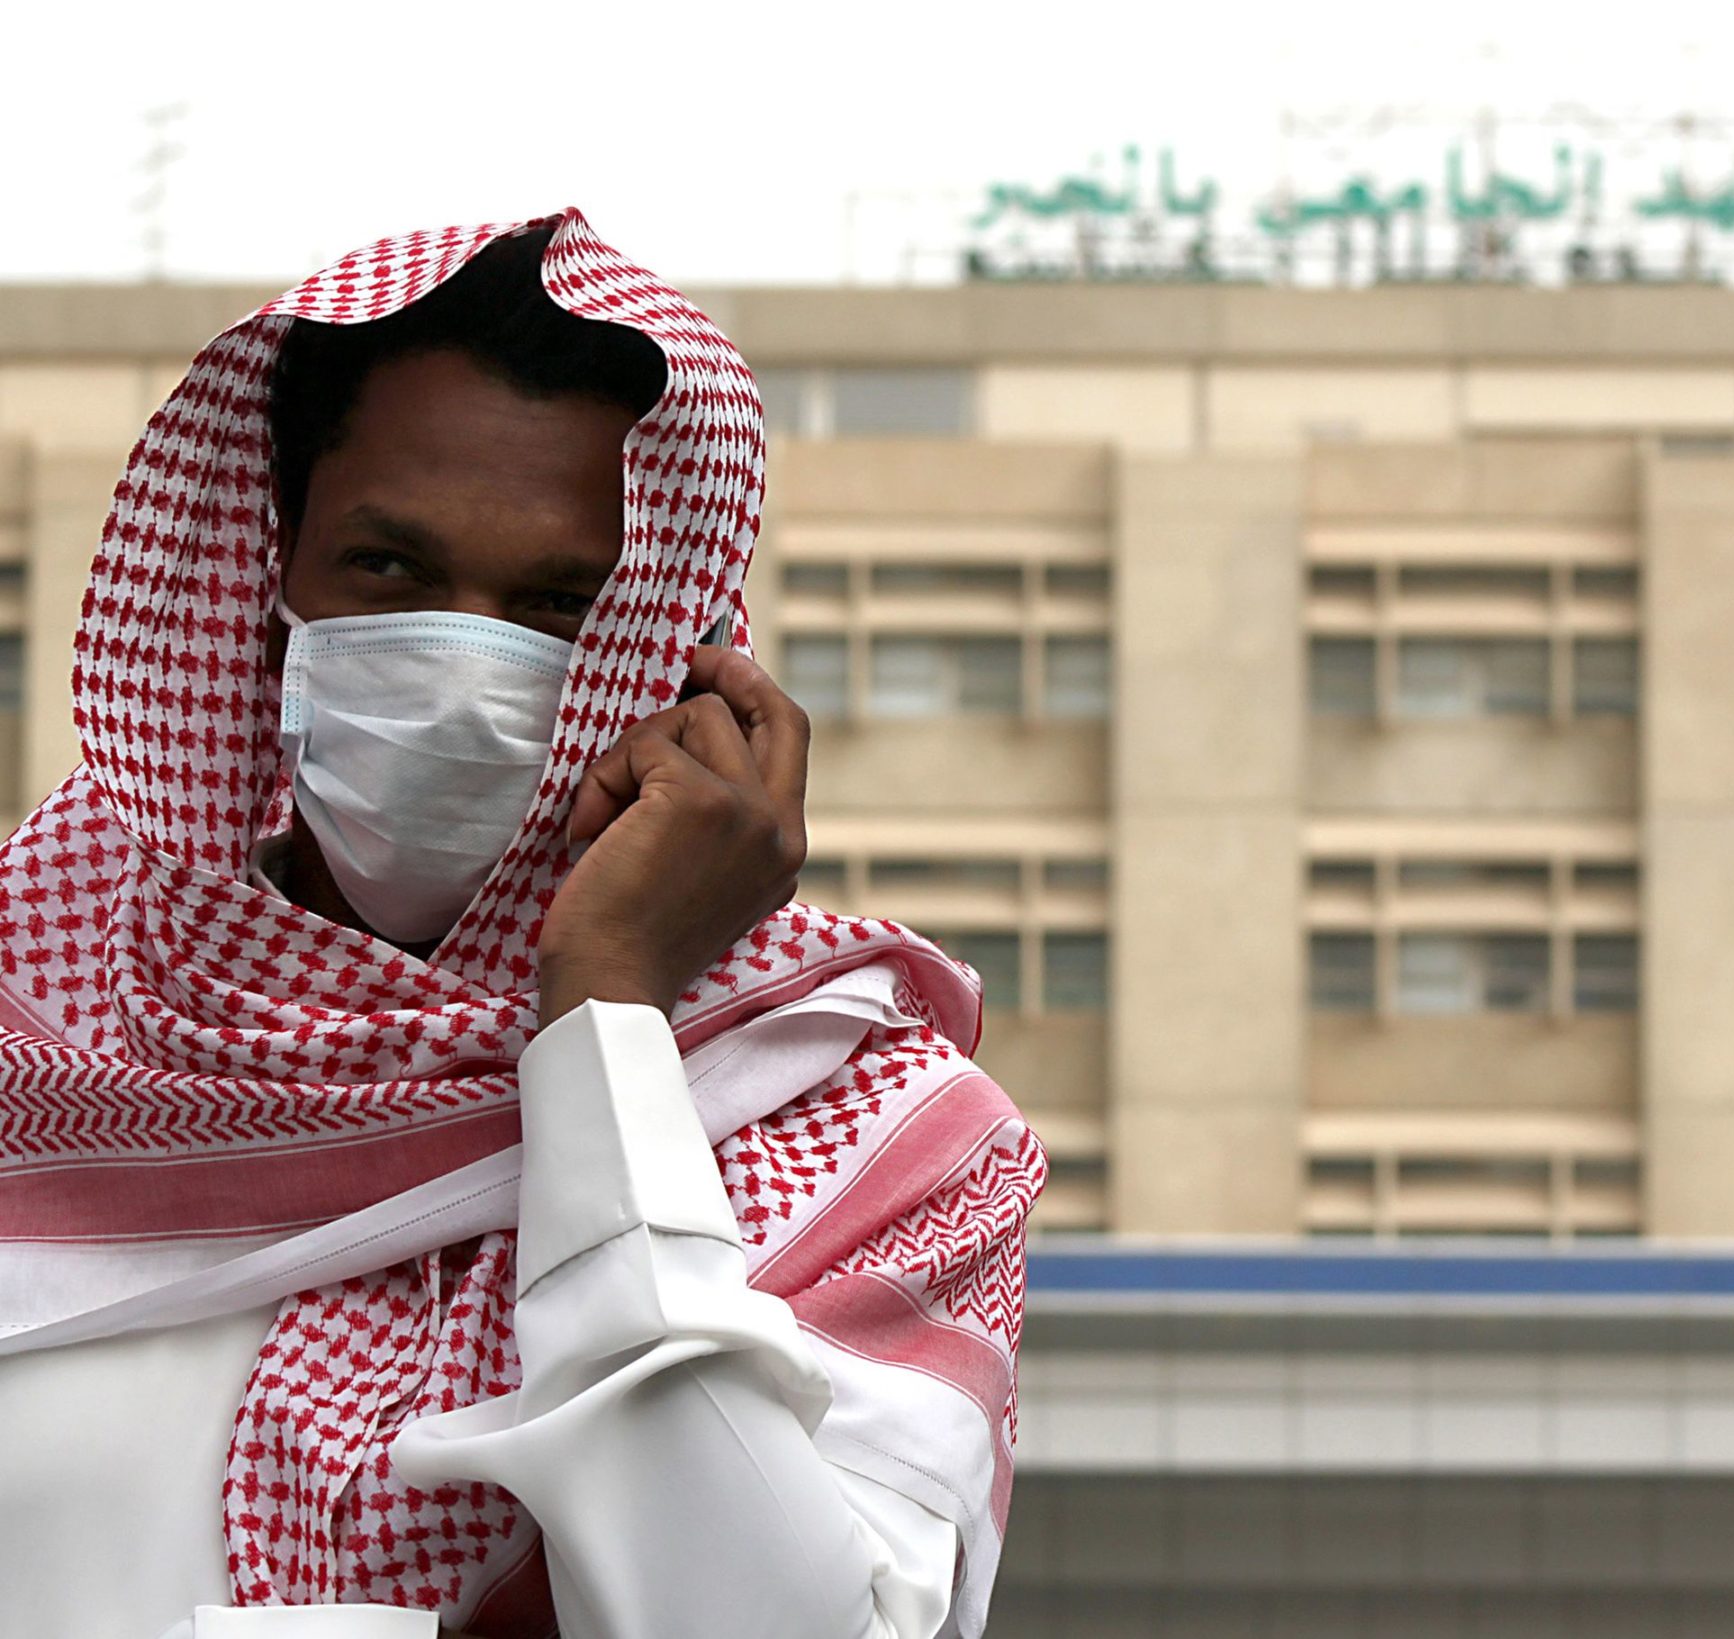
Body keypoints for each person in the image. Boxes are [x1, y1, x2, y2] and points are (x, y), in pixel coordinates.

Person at [0, 213, 1042, 1639]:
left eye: (555, 605)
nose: (462, 669)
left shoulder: (875, 1135)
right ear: (269, 582)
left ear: (663, 643)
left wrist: (607, 1023)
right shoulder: (35, 1027)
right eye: (388, 570)